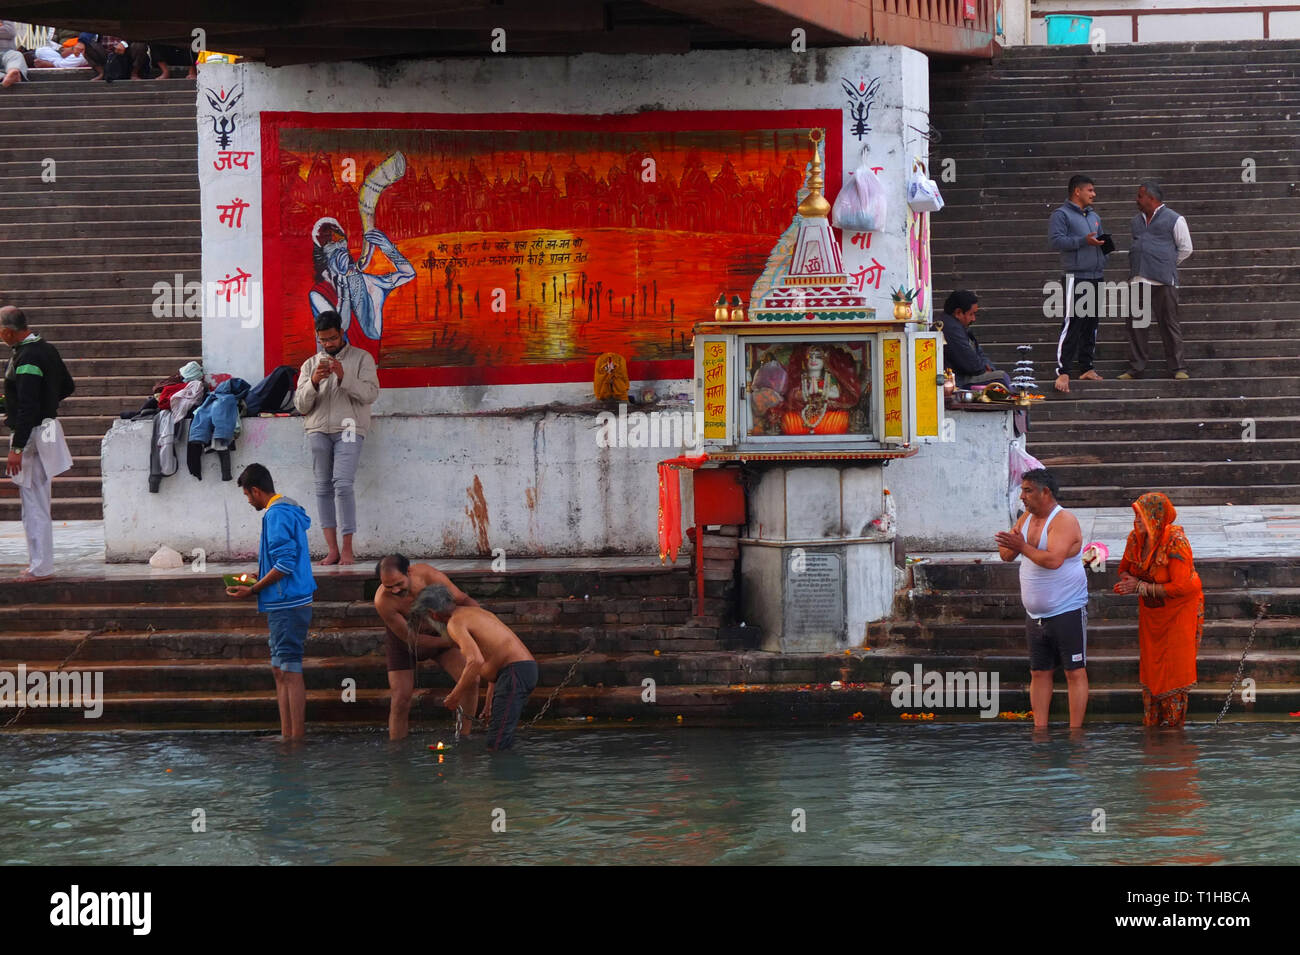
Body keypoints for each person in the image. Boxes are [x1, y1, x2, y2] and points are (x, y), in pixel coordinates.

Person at [227, 463, 316, 740]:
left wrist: (253, 590)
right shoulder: (287, 508)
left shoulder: (275, 514)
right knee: (280, 668)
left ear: (255, 490)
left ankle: (295, 737)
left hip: (287, 603)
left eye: (247, 495)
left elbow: (286, 563)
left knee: (289, 668)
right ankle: (287, 734)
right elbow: (283, 560)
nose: (249, 501)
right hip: (289, 601)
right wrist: (259, 575)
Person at [995, 468, 1090, 728]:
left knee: (1074, 671)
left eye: (1028, 491)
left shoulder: (1064, 520)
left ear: (1045, 492)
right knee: (1038, 672)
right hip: (1035, 615)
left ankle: (1075, 732)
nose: (1022, 497)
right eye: (1022, 491)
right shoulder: (1025, 518)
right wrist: (1009, 543)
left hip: (1067, 609)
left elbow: (1053, 560)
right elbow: (1006, 556)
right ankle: (1040, 730)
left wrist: (1022, 546)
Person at [293, 310, 380, 565]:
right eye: (323, 340)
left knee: (342, 485)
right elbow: (300, 404)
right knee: (322, 487)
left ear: (341, 333)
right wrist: (313, 382)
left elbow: (371, 394)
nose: (328, 344)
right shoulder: (310, 364)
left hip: (350, 428)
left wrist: (343, 376)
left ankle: (348, 549)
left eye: (332, 338)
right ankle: (332, 550)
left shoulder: (362, 358)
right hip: (318, 429)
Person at [409, 584, 538, 751]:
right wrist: (489, 701)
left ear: (434, 614)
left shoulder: (455, 623)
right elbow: (493, 654)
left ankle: (506, 776)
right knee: (500, 737)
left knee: (497, 744)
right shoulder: (477, 612)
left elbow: (475, 661)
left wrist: (455, 695)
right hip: (520, 671)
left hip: (514, 672)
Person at [1114, 492, 1203, 727]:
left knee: (1174, 667)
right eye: (1136, 515)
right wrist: (1127, 583)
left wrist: (1141, 587)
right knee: (1152, 666)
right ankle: (1153, 725)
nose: (1137, 520)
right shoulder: (1135, 539)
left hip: (1179, 611)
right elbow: (1124, 569)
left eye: (1142, 516)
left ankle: (1174, 729)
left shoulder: (1176, 542)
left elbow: (1181, 586)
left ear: (1156, 518)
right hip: (1152, 614)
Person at [373, 554, 482, 740]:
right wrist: (453, 640)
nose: (395, 590)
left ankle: (464, 736)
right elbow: (413, 639)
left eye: (399, 583)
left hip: (440, 633)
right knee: (400, 699)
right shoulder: (383, 601)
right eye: (388, 586)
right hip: (404, 643)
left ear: (409, 571)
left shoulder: (429, 576)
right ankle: (397, 752)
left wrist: (485, 626)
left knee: (472, 680)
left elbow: (463, 600)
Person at [2, 306, 75, 581]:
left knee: (33, 504)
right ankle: (39, 563)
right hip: (43, 429)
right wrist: (46, 403)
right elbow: (67, 386)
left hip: (31, 434)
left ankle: (40, 566)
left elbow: (28, 406)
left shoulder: (28, 356)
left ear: (8, 331)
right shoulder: (46, 349)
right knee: (36, 500)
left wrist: (17, 449)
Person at [1120, 179, 1193, 381]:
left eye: (1140, 196)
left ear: (1151, 198)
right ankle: (1135, 368)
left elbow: (1186, 248)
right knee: (1135, 326)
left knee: (1169, 324)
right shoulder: (1136, 221)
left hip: (1163, 281)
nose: (1137, 199)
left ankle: (1178, 367)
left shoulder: (1175, 219)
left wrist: (1166, 263)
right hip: (1137, 279)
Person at [1047, 174, 1110, 393]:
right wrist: (1084, 241)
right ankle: (1063, 370)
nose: (1094, 194)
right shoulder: (1061, 214)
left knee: (1091, 323)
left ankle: (1087, 367)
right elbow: (1056, 240)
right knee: (1073, 322)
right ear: (1077, 191)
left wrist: (1104, 253)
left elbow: (1102, 240)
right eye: (1090, 190)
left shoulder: (1094, 216)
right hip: (1076, 276)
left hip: (1095, 274)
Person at [309, 216, 415, 343]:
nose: (338, 247)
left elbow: (408, 273)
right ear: (322, 252)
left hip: (369, 360)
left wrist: (387, 247)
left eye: (341, 241)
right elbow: (339, 328)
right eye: (330, 243)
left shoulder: (368, 282)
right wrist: (344, 283)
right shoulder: (318, 294)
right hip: (337, 361)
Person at [938, 289, 1010, 390]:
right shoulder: (951, 329)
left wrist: (987, 366)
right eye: (971, 314)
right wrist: (983, 368)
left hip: (970, 373)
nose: (974, 319)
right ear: (958, 313)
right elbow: (971, 365)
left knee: (998, 376)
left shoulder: (959, 327)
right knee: (1000, 378)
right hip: (959, 381)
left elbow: (979, 353)